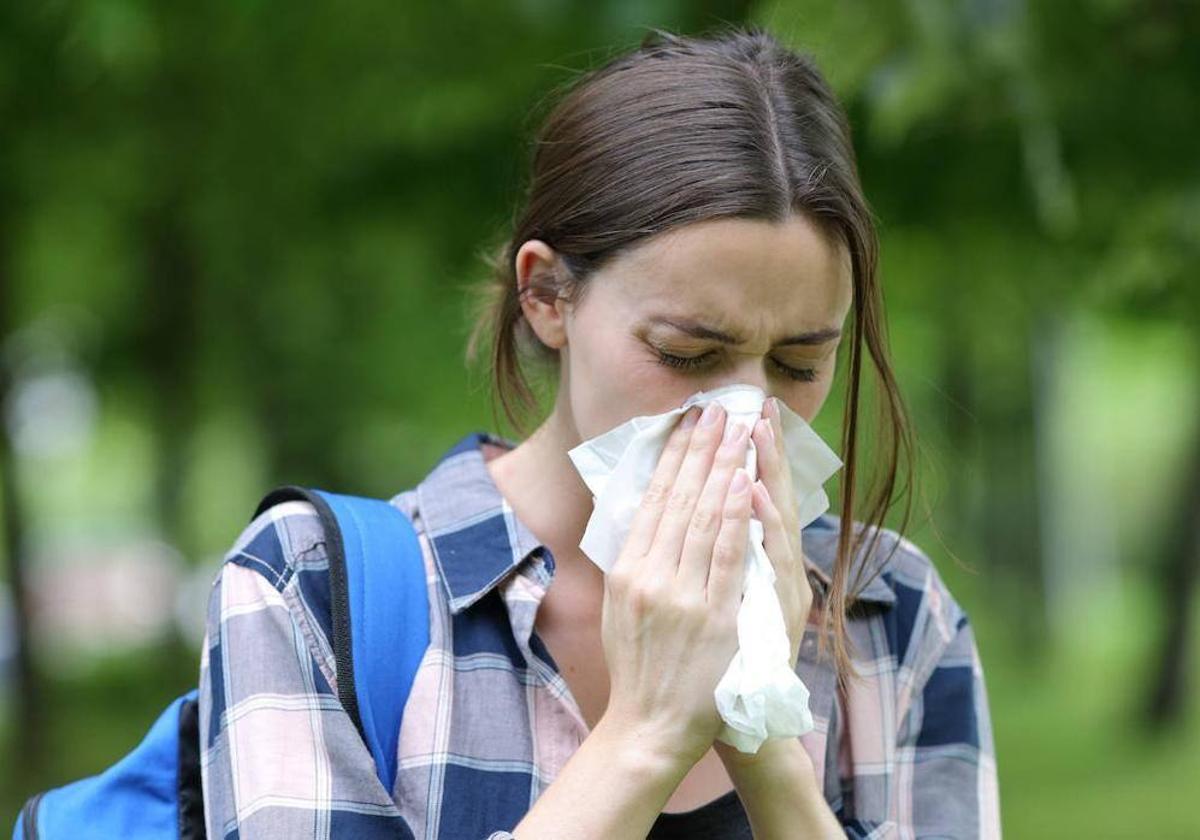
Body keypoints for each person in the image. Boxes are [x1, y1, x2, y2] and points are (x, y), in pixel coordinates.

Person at [198, 24, 1000, 839]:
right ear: (548, 296)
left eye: (797, 364)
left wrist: (765, 734)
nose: (747, 414)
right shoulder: (307, 591)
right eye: (688, 353)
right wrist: (646, 735)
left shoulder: (893, 614)